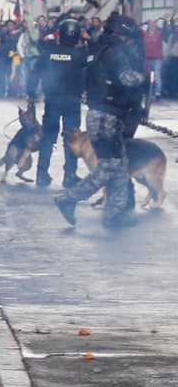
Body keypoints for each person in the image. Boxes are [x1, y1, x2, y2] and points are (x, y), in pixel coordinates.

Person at [54, 13, 148, 229]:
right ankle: (69, 198)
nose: (129, 41)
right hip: (108, 115)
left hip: (100, 112)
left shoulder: (96, 49)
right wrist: (145, 79)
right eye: (127, 37)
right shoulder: (115, 52)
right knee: (109, 166)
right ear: (120, 34)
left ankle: (115, 213)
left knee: (120, 167)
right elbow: (127, 78)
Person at [27, 16, 88, 188]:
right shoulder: (80, 55)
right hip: (72, 101)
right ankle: (70, 175)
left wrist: (31, 93)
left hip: (52, 99)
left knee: (48, 137)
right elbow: (88, 75)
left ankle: (42, 173)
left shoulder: (48, 52)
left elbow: (35, 72)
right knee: (71, 138)